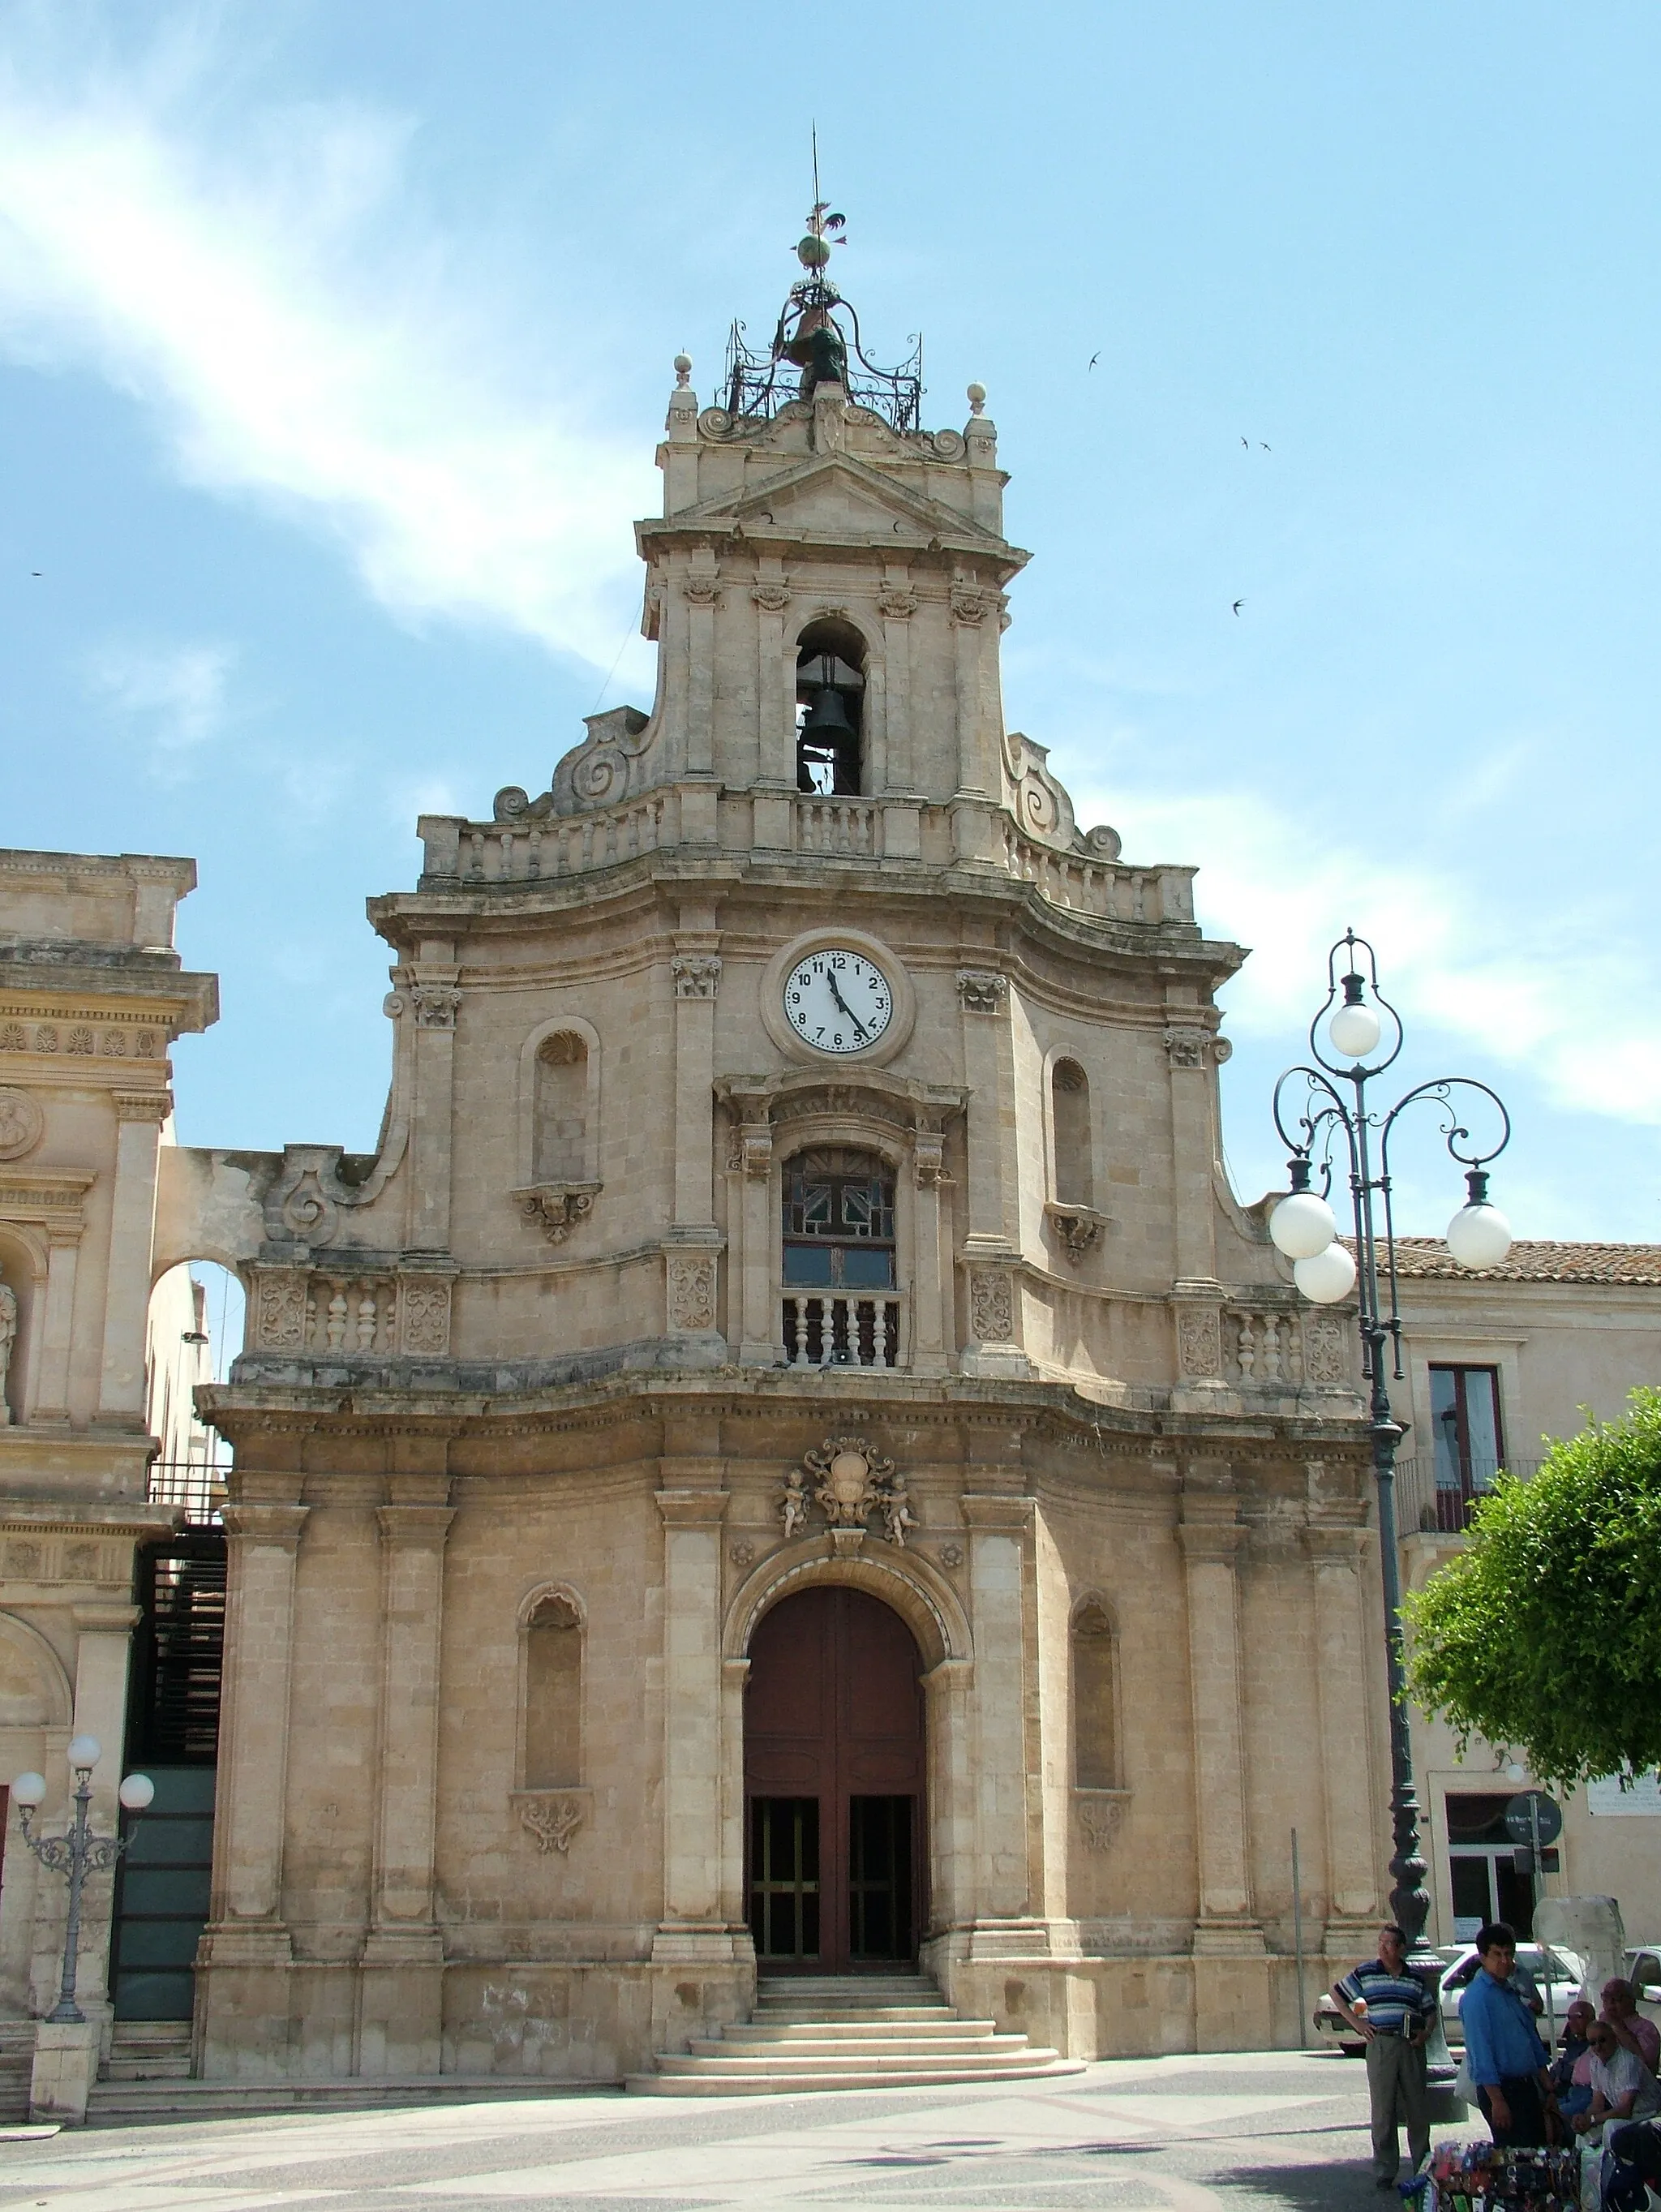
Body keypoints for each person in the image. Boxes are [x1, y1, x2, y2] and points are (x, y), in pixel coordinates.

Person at [1331, 1922, 1436, 2189]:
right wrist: (1358, 2024)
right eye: (1380, 1942)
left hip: (1410, 2045)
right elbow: (1337, 1994)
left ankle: (1422, 2165)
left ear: (1400, 1948)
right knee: (1383, 2108)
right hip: (1381, 2043)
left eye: (1388, 1943)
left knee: (1417, 2108)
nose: (1382, 1948)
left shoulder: (1414, 1977)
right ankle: (1385, 2168)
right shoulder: (1367, 1972)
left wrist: (1425, 2033)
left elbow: (1430, 2010)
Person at [1459, 1921, 1554, 2149]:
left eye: (1508, 1954)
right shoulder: (1477, 1997)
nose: (1504, 1961)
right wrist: (1497, 2101)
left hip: (1526, 2085)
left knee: (1537, 2151)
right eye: (1497, 1954)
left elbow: (1530, 2039)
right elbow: (1481, 2053)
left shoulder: (1509, 1989)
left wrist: (1548, 2087)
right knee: (1516, 2157)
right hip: (1501, 2089)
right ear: (1483, 1957)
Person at [1572, 2018, 1661, 2141]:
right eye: (1593, 2043)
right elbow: (1597, 2104)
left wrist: (1592, 2120)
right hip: (1627, 2119)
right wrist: (1584, 2119)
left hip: (1649, 2116)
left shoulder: (1628, 2062)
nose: (1598, 2046)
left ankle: (1612, 2160)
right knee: (1583, 2135)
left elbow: (1625, 2110)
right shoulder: (1595, 2063)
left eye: (1602, 2040)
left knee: (1611, 2126)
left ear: (1614, 2038)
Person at [1548, 1999, 1598, 2124]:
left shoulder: (1596, 2044)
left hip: (1586, 2096)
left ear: (1591, 2018)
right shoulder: (1573, 2044)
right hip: (1566, 2094)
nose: (1572, 2022)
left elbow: (1570, 2072)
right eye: (1570, 2018)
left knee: (1554, 2115)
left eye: (1578, 2017)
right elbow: (1557, 2070)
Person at [1601, 1978, 1661, 2075]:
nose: (1610, 2002)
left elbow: (1643, 2066)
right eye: (1606, 1997)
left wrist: (1617, 2026)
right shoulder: (1602, 2025)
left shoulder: (1646, 2028)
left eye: (1616, 1997)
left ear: (1631, 2000)